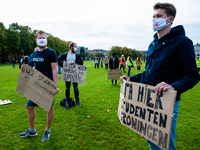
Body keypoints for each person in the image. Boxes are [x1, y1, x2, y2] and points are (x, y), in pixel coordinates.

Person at [120, 3, 200, 150]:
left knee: (164, 145)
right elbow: (149, 72)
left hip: (166, 102)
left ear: (170, 19)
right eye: (153, 16)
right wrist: (132, 79)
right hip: (147, 100)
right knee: (151, 140)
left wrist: (173, 87)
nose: (154, 20)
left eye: (159, 16)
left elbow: (193, 75)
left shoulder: (182, 42)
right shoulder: (152, 44)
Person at [19, 30, 59, 142]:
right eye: (40, 37)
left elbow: (55, 70)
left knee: (49, 108)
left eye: (44, 37)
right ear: (36, 40)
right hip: (36, 84)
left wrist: (55, 86)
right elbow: (32, 67)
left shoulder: (51, 53)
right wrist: (25, 68)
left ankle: (47, 130)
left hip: (47, 85)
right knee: (29, 106)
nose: (42, 39)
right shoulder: (35, 54)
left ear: (46, 39)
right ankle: (32, 130)